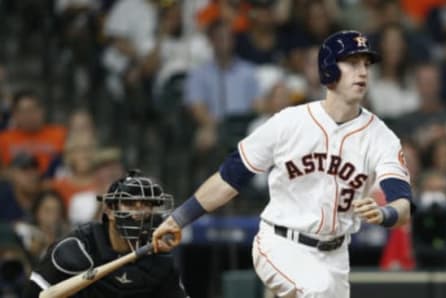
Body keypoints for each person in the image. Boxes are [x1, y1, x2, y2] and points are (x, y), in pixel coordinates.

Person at [153, 30, 414, 297]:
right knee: (317, 291)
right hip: (281, 243)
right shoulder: (289, 122)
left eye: (366, 64)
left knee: (320, 288)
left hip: (335, 256)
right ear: (328, 68)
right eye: (352, 63)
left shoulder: (381, 137)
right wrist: (179, 219)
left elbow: (402, 204)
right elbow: (229, 178)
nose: (362, 72)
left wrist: (385, 214)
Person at [24, 170, 189, 298]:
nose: (139, 211)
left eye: (146, 204)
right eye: (129, 203)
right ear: (110, 211)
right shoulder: (78, 247)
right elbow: (35, 293)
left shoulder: (158, 259)